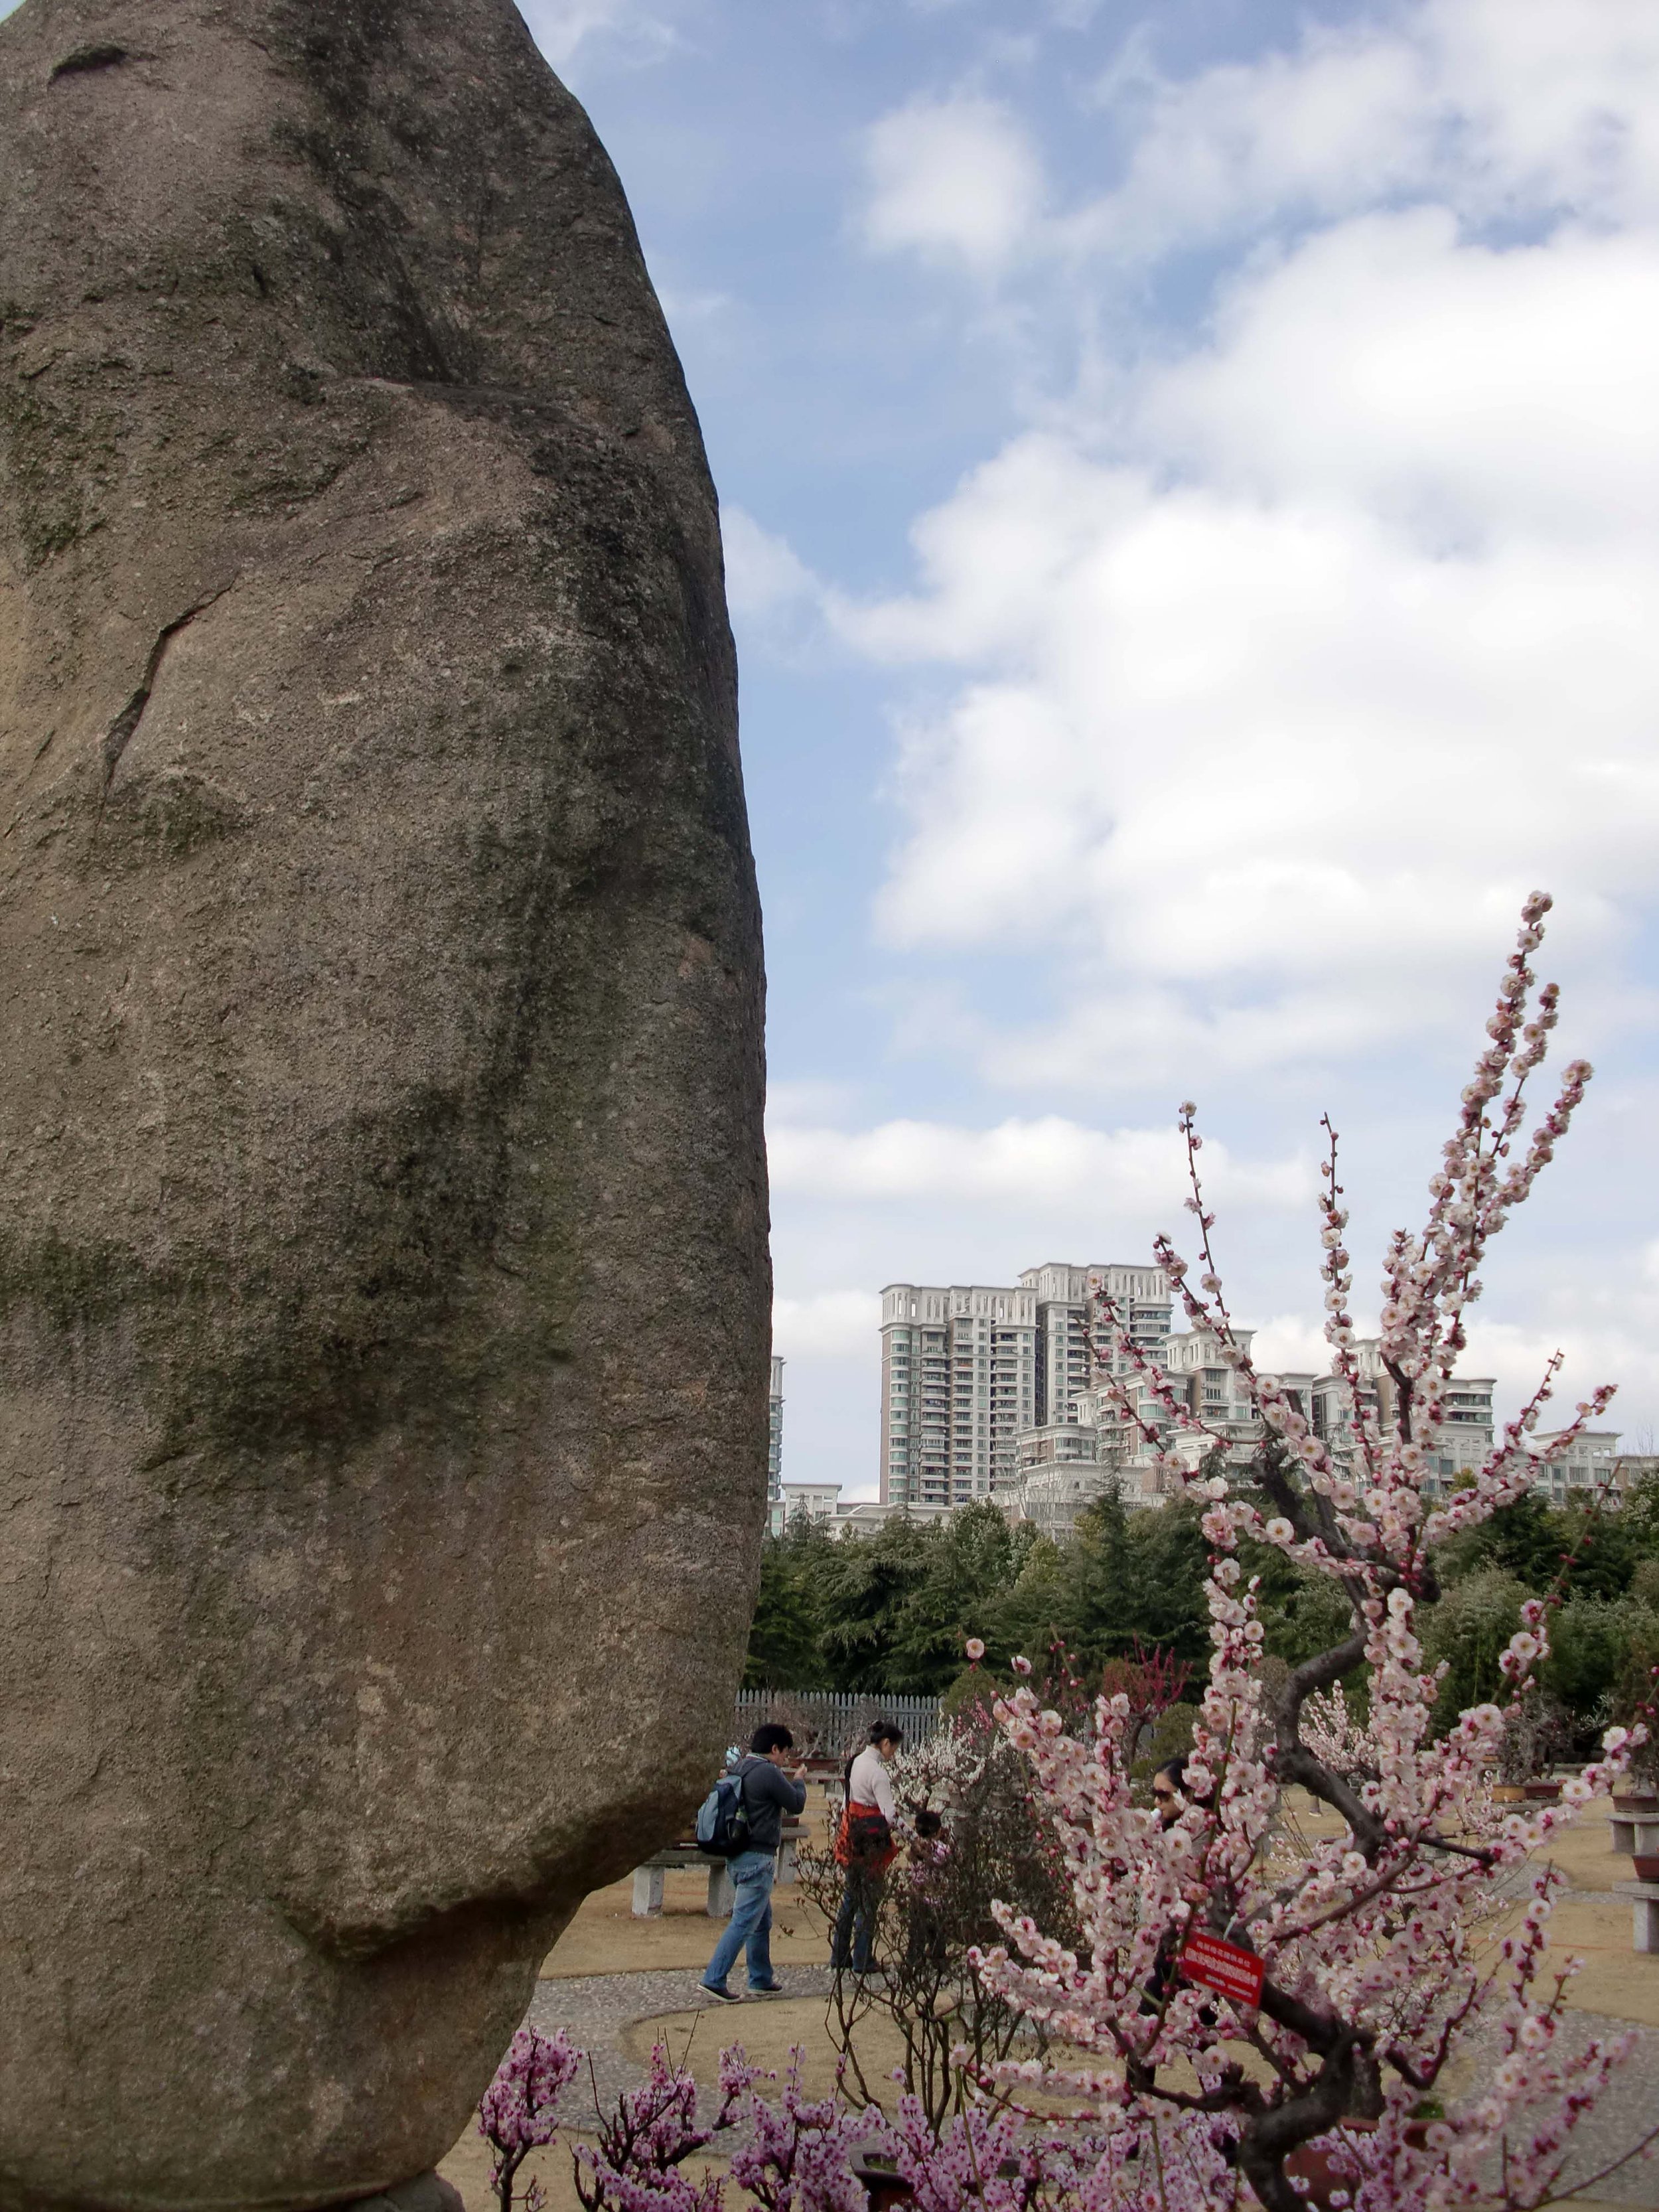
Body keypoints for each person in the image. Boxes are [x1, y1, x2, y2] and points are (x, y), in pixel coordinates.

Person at [700, 1723, 807, 2003]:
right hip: (758, 1856)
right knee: (744, 1921)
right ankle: (714, 1979)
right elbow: (795, 1803)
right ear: (774, 1749)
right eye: (785, 1753)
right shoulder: (767, 1772)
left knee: (761, 1919)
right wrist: (798, 1779)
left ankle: (760, 1977)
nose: (785, 1758)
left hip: (736, 1853)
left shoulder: (740, 1768)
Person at [831, 1720, 904, 1975]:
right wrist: (911, 1834)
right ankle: (863, 1958)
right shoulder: (877, 1772)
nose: (893, 1753)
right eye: (893, 1748)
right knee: (868, 1902)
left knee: (850, 1898)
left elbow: (845, 1804)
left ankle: (839, 1955)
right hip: (872, 1842)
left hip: (852, 1836)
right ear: (885, 1743)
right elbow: (890, 1815)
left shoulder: (855, 1763)